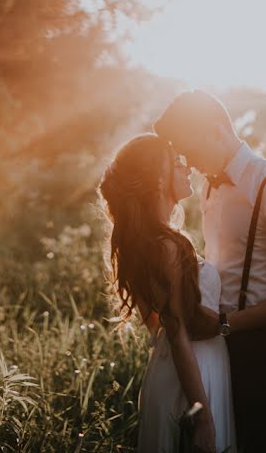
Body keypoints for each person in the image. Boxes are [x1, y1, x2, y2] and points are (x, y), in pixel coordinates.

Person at [154, 90, 266, 453]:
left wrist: (227, 323)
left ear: (216, 130)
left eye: (191, 149)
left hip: (261, 346)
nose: (191, 163)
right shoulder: (207, 186)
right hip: (215, 342)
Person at [99, 134, 236, 453]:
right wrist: (201, 414)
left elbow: (156, 323)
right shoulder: (170, 247)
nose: (187, 168)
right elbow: (176, 334)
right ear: (158, 179)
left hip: (172, 369)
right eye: (177, 163)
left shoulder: (146, 241)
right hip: (194, 378)